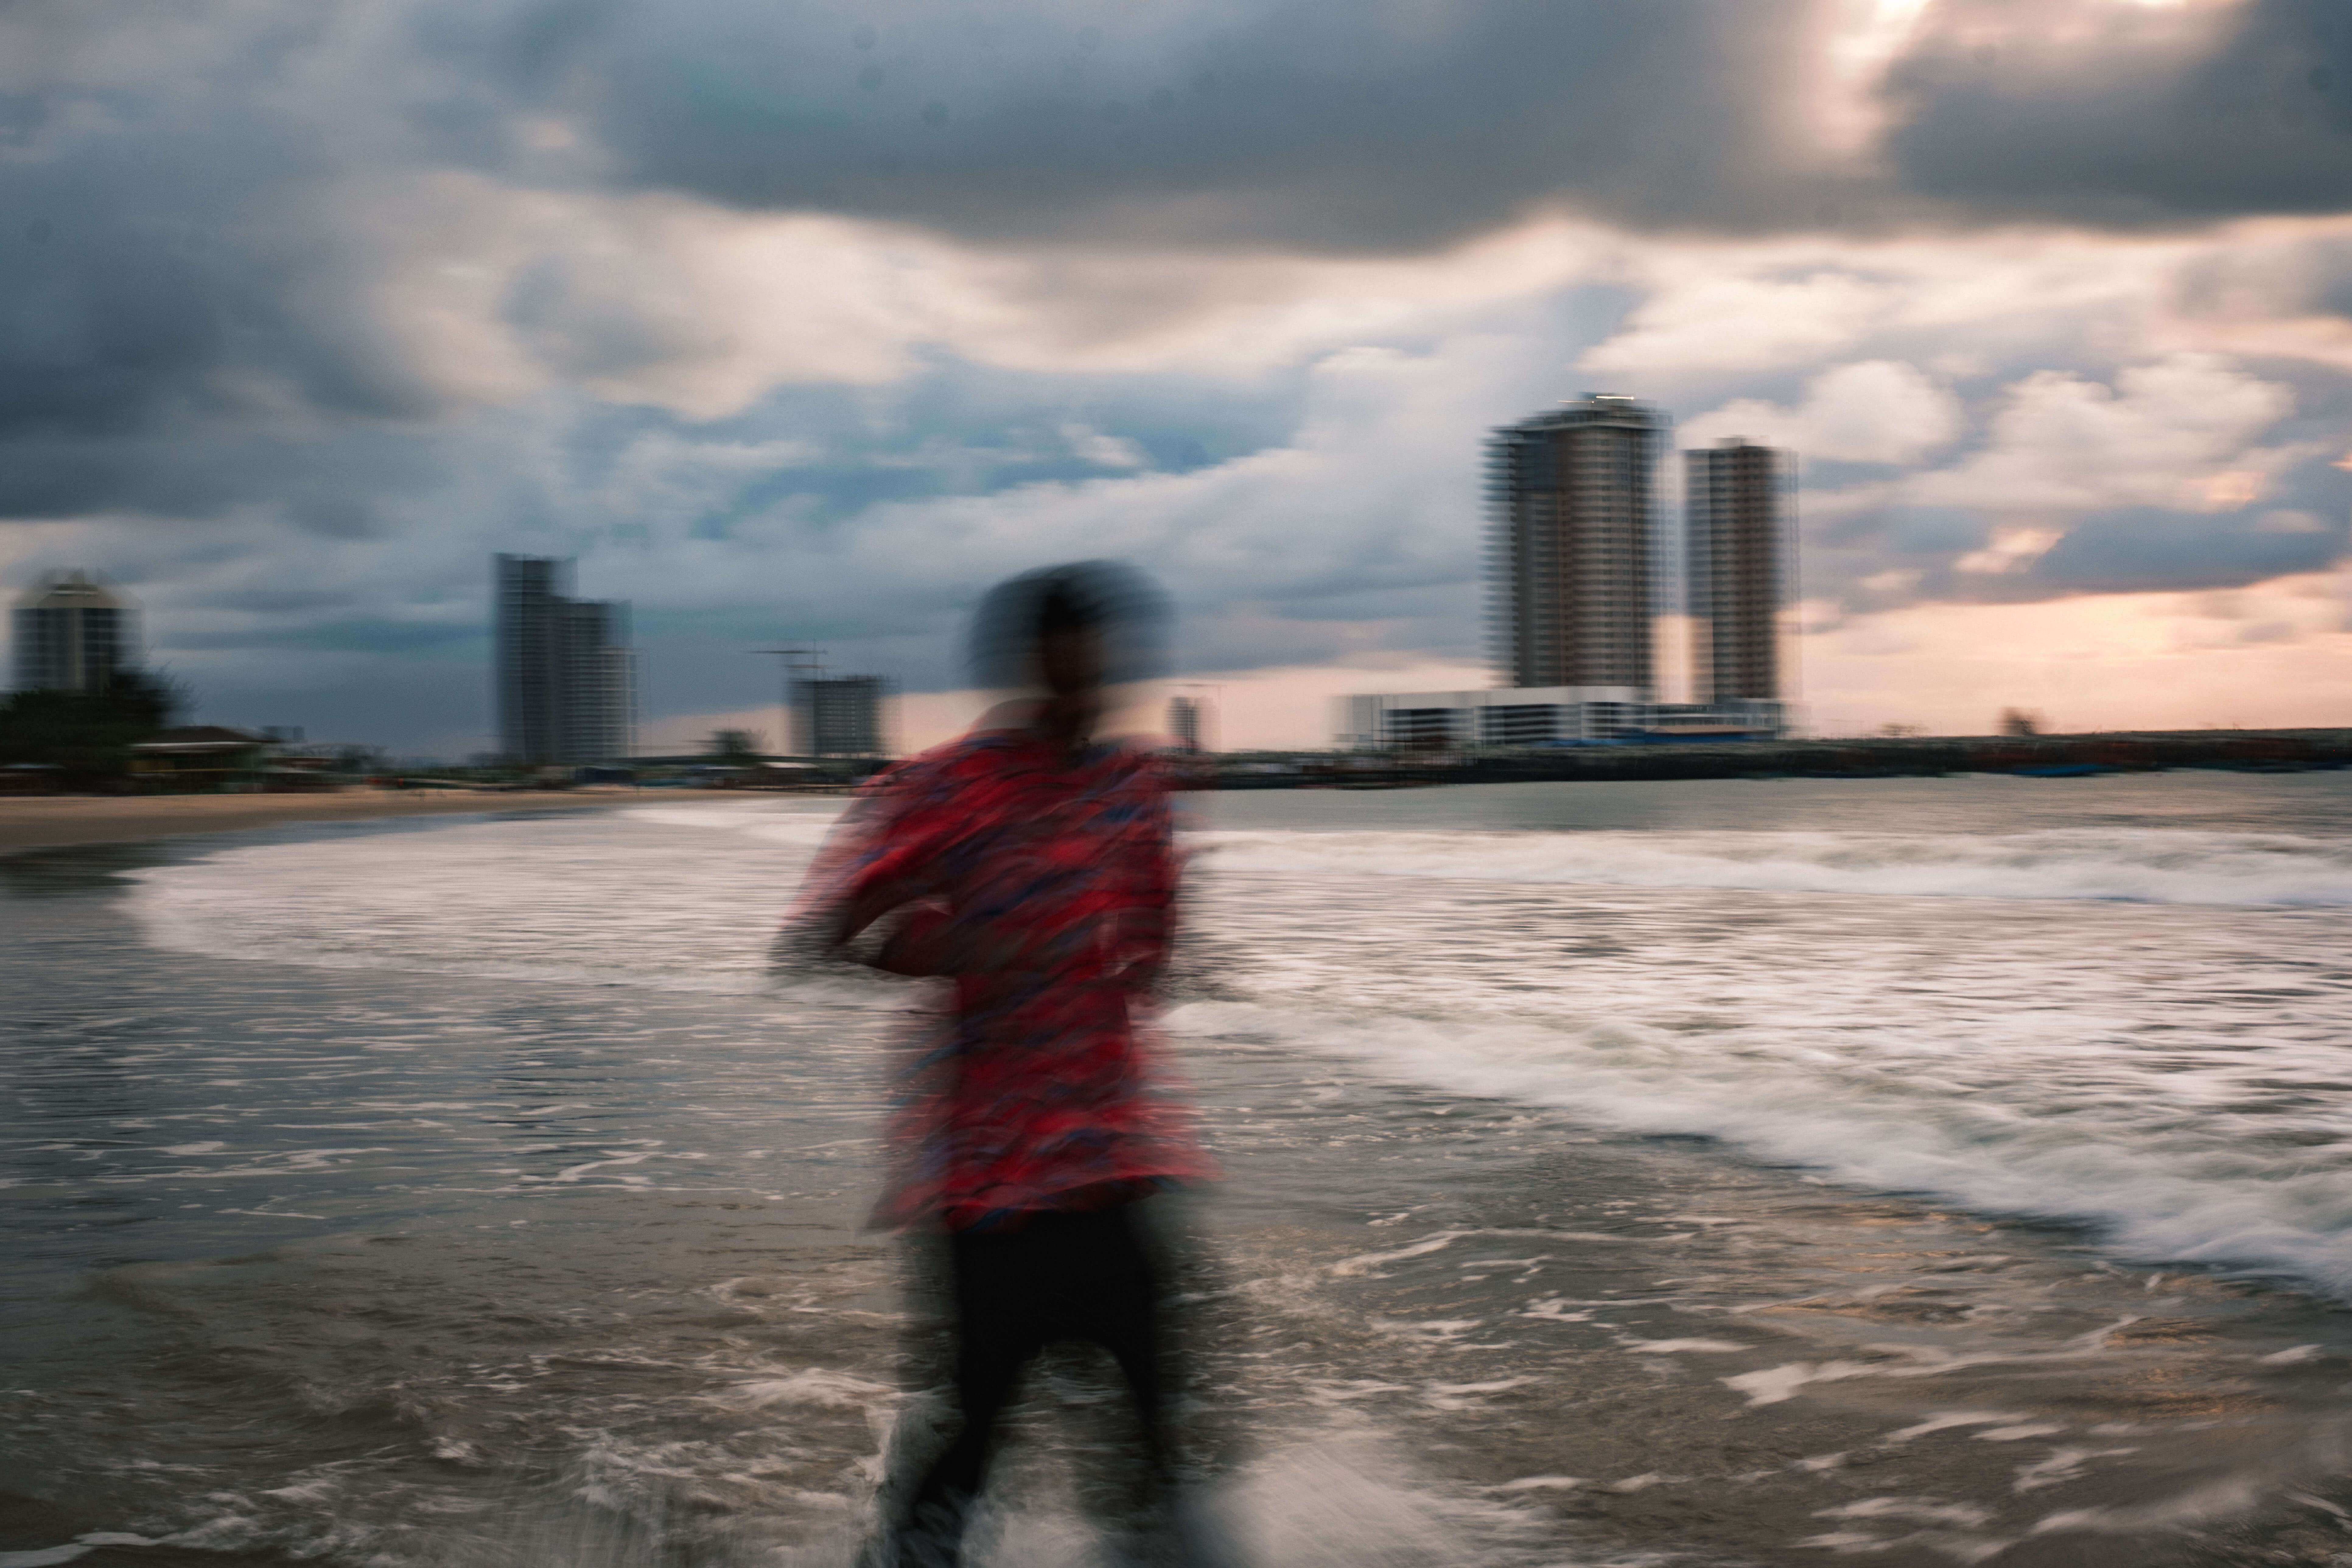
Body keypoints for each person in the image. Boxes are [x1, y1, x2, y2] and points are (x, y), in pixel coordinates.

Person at [787, 562, 1223, 1568]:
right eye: (1063, 673)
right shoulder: (947, 787)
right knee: (978, 1426)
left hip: (1114, 1152)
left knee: (1163, 1421)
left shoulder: (1137, 786)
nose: (1081, 697)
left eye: (1096, 675)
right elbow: (828, 931)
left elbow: (1156, 939)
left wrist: (1137, 965)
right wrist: (951, 948)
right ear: (1026, 666)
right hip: (986, 1177)